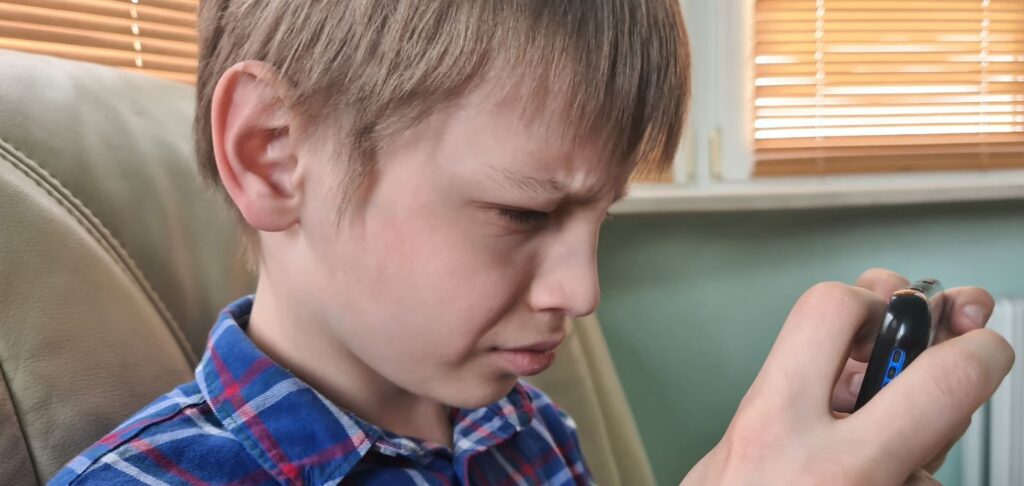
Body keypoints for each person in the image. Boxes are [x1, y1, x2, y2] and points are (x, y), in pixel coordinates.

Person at [52, 1, 1014, 484]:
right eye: (523, 214)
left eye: (603, 217)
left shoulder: (524, 433)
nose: (583, 291)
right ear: (272, 154)